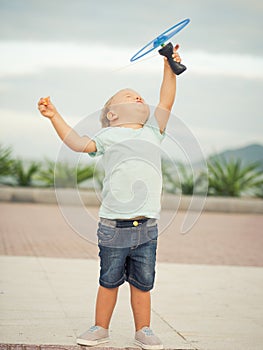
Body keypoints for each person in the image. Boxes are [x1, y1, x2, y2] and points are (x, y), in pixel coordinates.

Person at [38, 44, 182, 350]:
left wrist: (169, 66)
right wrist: (54, 116)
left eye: (139, 95)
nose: (137, 96)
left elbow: (166, 98)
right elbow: (77, 143)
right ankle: (100, 328)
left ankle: (143, 329)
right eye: (129, 95)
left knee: (143, 284)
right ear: (112, 114)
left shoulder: (153, 130)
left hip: (147, 224)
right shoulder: (107, 136)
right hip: (113, 224)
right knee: (109, 280)